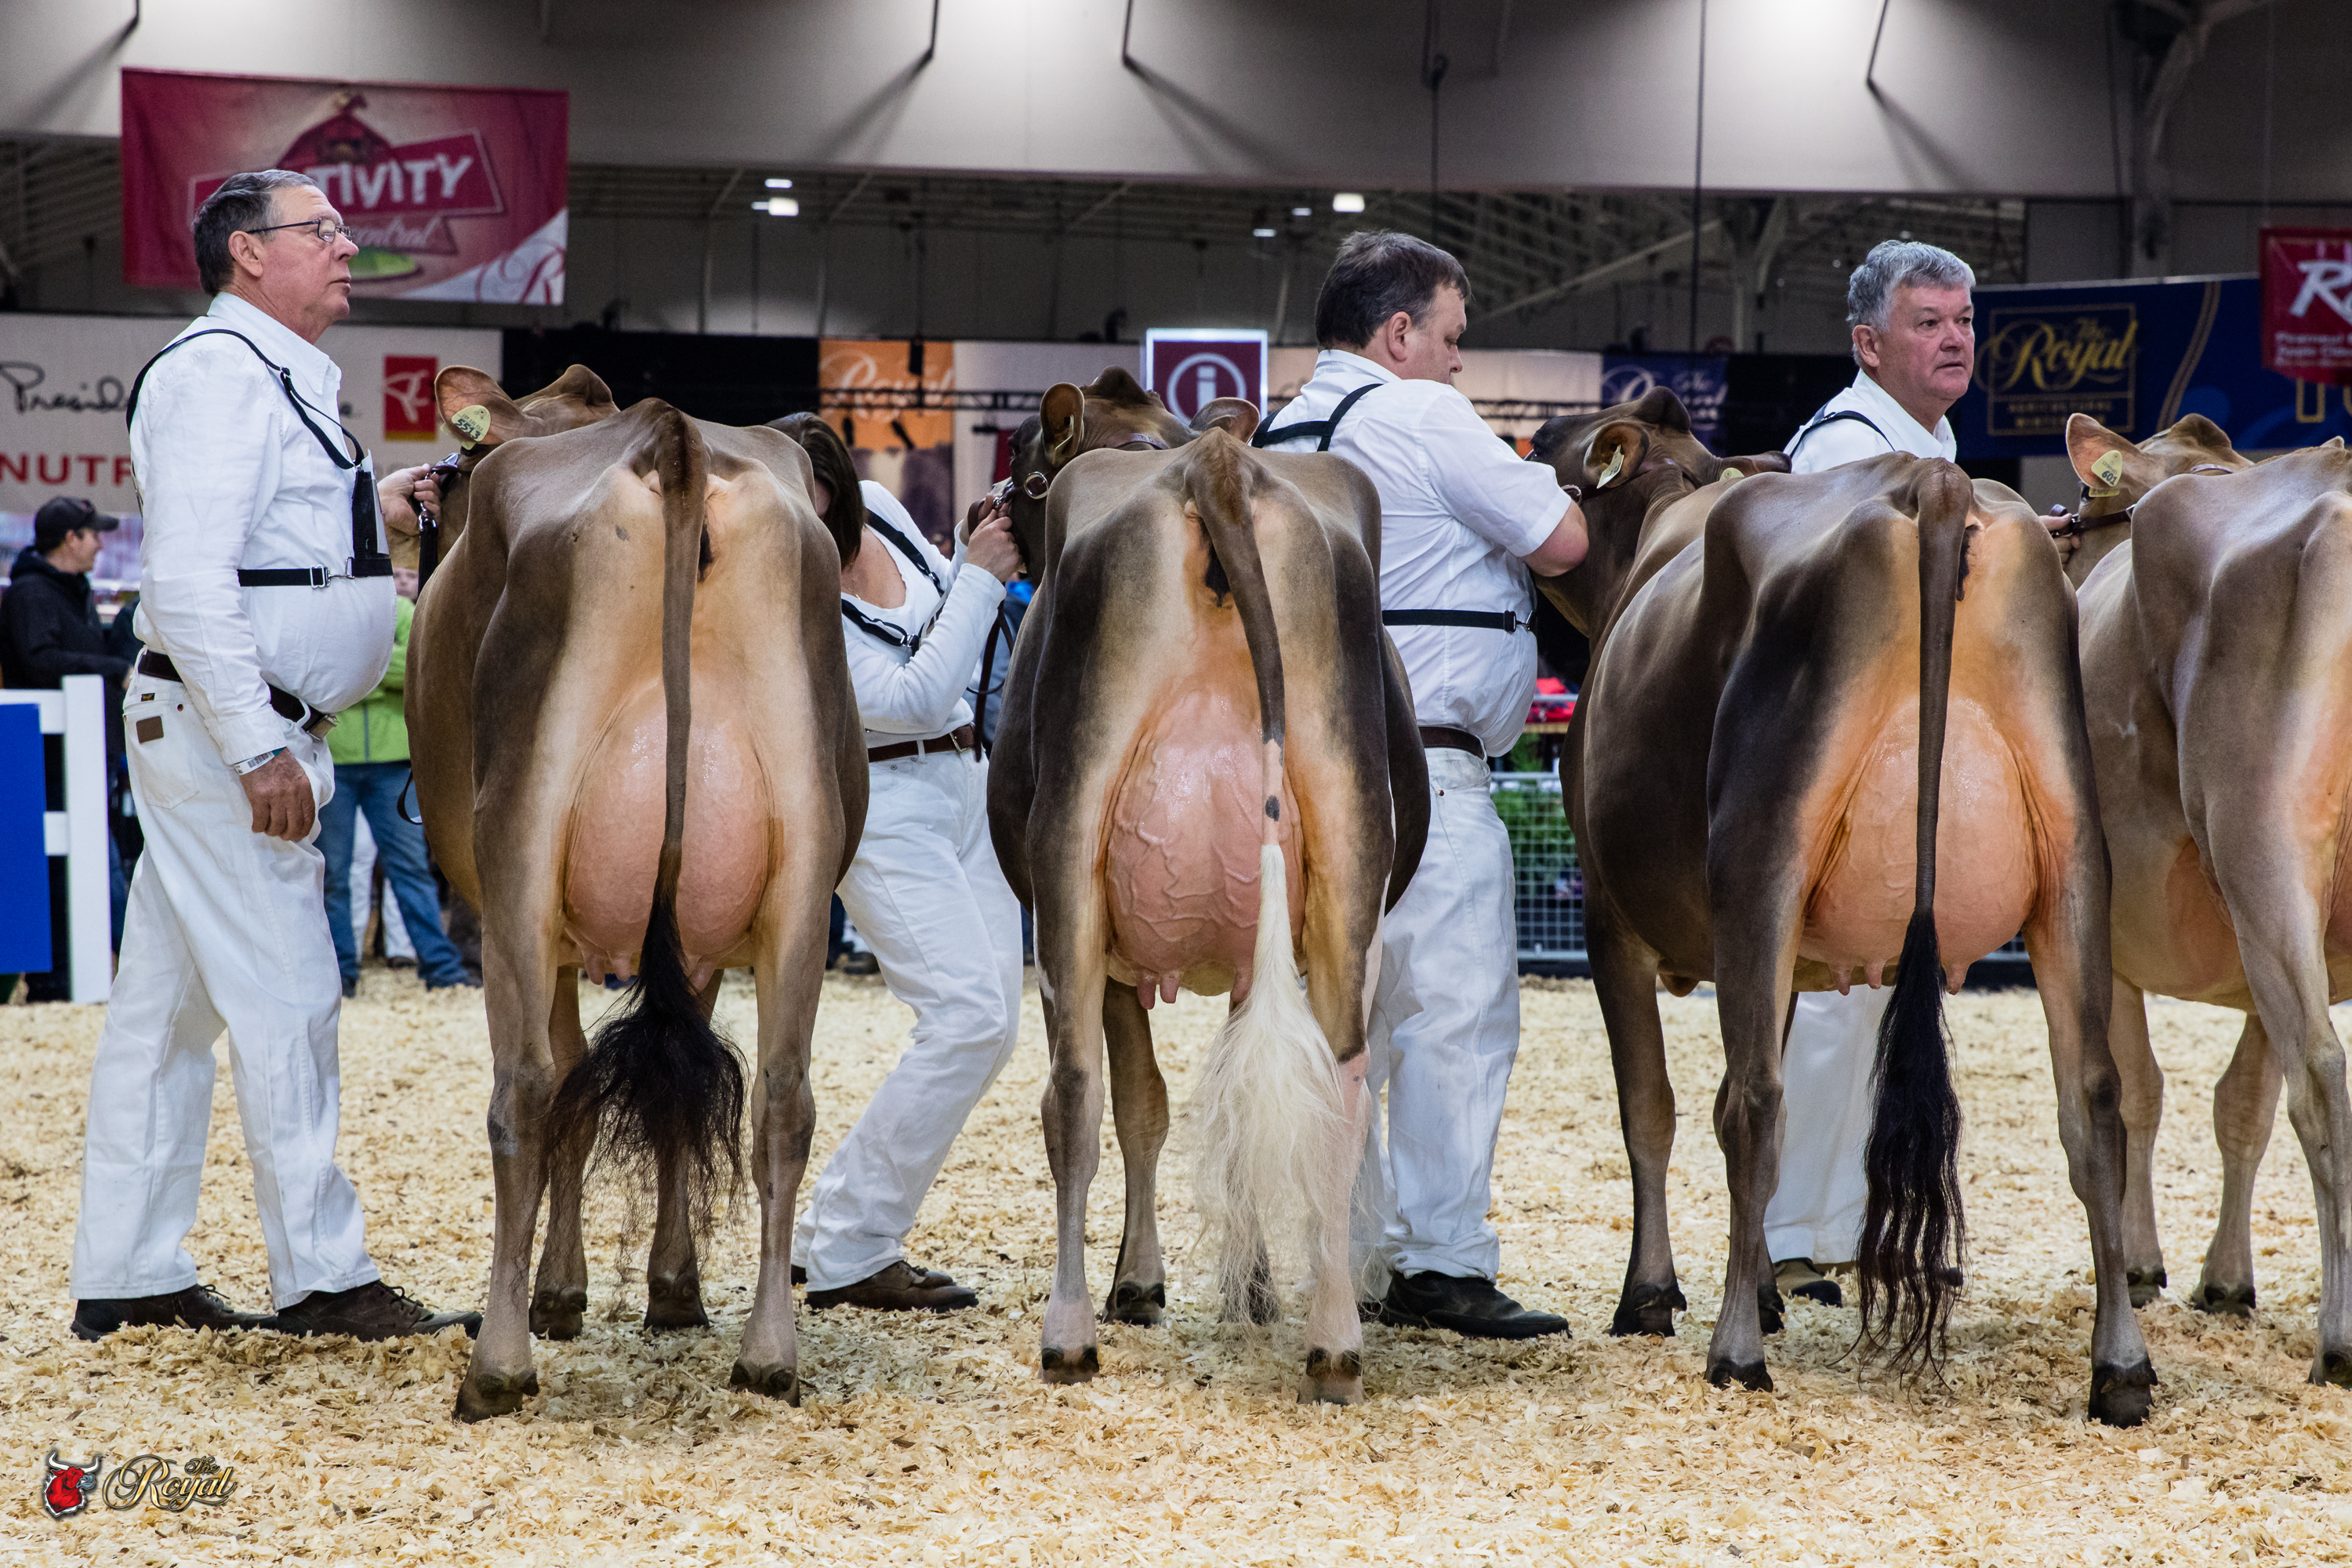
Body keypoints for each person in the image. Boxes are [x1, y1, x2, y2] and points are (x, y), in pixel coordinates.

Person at [70, 169, 475, 1342]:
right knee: (292, 993)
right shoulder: (215, 374)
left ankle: (128, 1272)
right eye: (324, 230)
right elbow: (191, 579)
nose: (349, 247)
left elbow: (264, 545)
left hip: (223, 723)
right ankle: (323, 1278)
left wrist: (372, 510)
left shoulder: (271, 374)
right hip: (226, 729)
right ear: (248, 252)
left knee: (165, 1015)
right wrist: (257, 745)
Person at [1261, 231, 1587, 1338]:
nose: (1457, 361)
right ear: (1398, 333)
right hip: (1424, 770)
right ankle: (1441, 1261)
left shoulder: (1278, 433)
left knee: (1336, 1017)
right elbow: (1563, 537)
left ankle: (1345, 1255)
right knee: (1451, 1013)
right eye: (1451, 336)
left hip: (1295, 780)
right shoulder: (1420, 415)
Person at [771, 414, 1026, 1312]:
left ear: (838, 489)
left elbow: (947, 612)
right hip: (879, 803)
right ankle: (852, 1246)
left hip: (968, 779)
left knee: (994, 1026)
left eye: (806, 497)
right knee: (964, 1017)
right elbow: (917, 693)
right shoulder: (791, 595)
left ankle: (829, 1228)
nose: (793, 519)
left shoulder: (880, 506)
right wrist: (982, 577)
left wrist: (972, 553)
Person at [1766, 238, 1976, 1308]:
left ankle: (1848, 1225)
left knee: (1883, 992)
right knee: (1831, 994)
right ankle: (1786, 1233)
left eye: (1963, 320)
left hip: (1909, 749)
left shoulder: (1932, 440)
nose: (1954, 339)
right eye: (1927, 322)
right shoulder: (1843, 446)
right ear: (1868, 343)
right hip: (1841, 756)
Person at [318, 564, 475, 998]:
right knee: (334, 876)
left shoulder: (403, 611)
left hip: (392, 765)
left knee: (411, 870)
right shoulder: (333, 614)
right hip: (337, 762)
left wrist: (358, 669)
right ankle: (340, 974)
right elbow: (322, 672)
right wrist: (382, 663)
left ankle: (441, 969)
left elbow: (418, 668)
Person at [0, 496, 133, 995]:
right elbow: (41, 661)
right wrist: (114, 669)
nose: (101, 544)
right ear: (69, 539)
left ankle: (71, 975)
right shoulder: (32, 594)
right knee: (70, 863)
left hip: (83, 748)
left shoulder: (68, 590)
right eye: (93, 534)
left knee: (87, 859)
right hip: (49, 757)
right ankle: (63, 977)